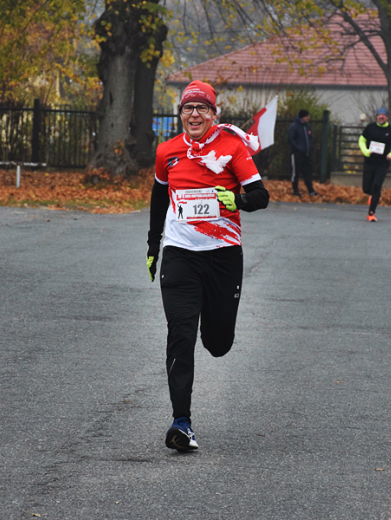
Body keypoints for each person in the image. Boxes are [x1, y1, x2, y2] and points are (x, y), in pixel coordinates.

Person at [146, 80, 270, 451]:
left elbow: (261, 197)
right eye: (188, 108)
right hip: (180, 256)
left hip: (222, 257)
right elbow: (158, 200)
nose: (194, 114)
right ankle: (181, 422)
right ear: (180, 114)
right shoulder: (167, 152)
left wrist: (234, 198)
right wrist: (154, 246)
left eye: (202, 108)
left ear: (214, 114)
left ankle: (215, 334)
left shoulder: (232, 148)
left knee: (217, 343)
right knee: (180, 336)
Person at [358, 107, 391, 221]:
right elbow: (361, 140)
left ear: (387, 117)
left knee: (376, 185)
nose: (381, 117)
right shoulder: (370, 128)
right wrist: (366, 151)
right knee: (366, 188)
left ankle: (371, 213)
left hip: (383, 163)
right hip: (370, 162)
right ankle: (373, 195)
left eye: (383, 115)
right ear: (376, 117)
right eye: (379, 115)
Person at [288, 109, 318, 197]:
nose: (308, 118)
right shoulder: (294, 126)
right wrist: (298, 148)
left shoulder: (307, 127)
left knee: (307, 172)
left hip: (307, 154)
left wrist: (310, 147)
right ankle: (295, 191)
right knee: (296, 173)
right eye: (307, 116)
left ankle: (311, 190)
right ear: (302, 117)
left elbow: (310, 138)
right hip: (297, 154)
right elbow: (290, 139)